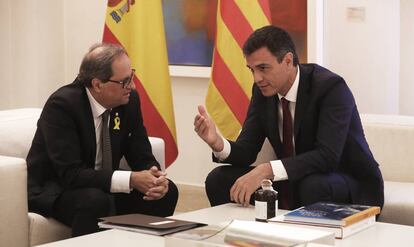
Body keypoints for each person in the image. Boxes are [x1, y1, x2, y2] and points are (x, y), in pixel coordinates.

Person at [194, 25, 384, 210]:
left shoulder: (330, 87)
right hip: (295, 178)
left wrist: (266, 169)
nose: (257, 78)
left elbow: (327, 157)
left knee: (313, 185)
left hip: (345, 180)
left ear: (287, 60)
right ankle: (244, 237)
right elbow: (247, 150)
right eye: (252, 70)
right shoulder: (263, 92)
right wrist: (218, 143)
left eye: (263, 68)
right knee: (218, 179)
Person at [27, 43, 178, 236]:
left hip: (102, 185)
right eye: (124, 81)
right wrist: (131, 180)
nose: (132, 86)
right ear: (97, 84)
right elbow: (71, 174)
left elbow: (141, 154)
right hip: (58, 189)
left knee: (167, 193)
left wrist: (155, 178)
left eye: (131, 76)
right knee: (95, 200)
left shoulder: (129, 101)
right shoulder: (62, 105)